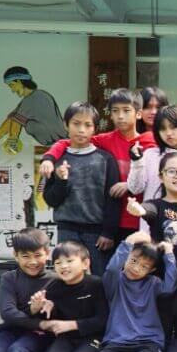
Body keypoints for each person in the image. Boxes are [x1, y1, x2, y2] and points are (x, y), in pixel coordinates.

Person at [41, 88, 155, 242]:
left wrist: (129, 185)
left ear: (138, 113)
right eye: (115, 111)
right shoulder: (105, 140)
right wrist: (49, 158)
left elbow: (159, 176)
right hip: (110, 221)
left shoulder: (151, 141)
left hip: (141, 218)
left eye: (126, 110)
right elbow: (69, 142)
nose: (120, 116)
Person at [42, 101, 121, 275]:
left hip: (97, 231)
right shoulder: (57, 158)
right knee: (68, 276)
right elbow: (51, 200)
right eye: (76, 124)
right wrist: (61, 180)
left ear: (95, 129)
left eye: (87, 125)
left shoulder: (106, 159)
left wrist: (108, 232)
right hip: (67, 229)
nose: (81, 130)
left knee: (99, 278)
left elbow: (113, 199)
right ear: (66, 125)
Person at [82, 232, 177, 352]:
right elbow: (112, 269)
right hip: (117, 342)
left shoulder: (153, 283)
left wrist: (169, 255)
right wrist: (129, 241)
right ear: (126, 257)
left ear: (151, 270)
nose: (136, 268)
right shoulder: (115, 281)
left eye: (144, 266)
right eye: (133, 261)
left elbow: (169, 287)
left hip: (148, 342)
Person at [127, 105, 177, 232]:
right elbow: (135, 188)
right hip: (151, 227)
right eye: (163, 129)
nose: (168, 133)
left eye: (173, 127)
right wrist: (136, 162)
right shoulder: (150, 155)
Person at [33, 241, 107, 352]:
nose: (63, 266)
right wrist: (42, 308)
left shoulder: (96, 284)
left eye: (69, 261)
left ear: (85, 263)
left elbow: (103, 320)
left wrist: (73, 325)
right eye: (58, 263)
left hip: (93, 336)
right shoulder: (53, 286)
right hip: (66, 337)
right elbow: (48, 319)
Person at [0, 228, 53, 352]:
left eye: (38, 255)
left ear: (47, 253)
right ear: (16, 256)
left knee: (16, 351)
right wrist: (33, 313)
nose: (33, 262)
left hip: (40, 335)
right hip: (11, 330)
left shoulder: (55, 280)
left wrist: (42, 318)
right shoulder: (9, 278)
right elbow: (7, 313)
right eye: (25, 256)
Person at [0, 66, 66, 146]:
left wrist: (12, 142)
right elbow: (4, 128)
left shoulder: (34, 98)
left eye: (12, 85)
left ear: (19, 81)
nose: (13, 90)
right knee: (17, 119)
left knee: (22, 122)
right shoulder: (27, 101)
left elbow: (15, 126)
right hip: (57, 142)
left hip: (59, 142)